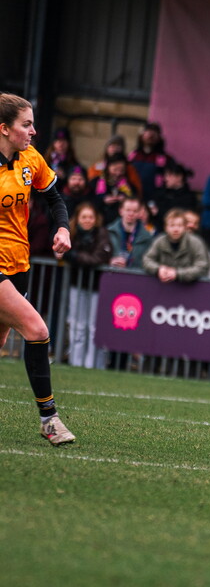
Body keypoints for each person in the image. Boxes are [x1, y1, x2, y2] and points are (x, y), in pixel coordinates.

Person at [0, 93, 76, 445]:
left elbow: (55, 199)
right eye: (26, 124)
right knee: (37, 329)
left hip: (20, 263)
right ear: (4, 129)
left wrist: (63, 228)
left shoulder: (31, 159)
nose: (33, 131)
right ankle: (50, 420)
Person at [64, 202, 112, 368]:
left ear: (96, 219)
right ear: (77, 218)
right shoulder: (72, 233)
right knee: (77, 325)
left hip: (97, 287)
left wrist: (75, 256)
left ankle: (91, 364)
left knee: (93, 327)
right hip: (76, 284)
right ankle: (75, 363)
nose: (87, 220)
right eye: (84, 217)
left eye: (90, 217)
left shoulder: (102, 234)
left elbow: (98, 258)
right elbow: (61, 250)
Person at [142, 208, 210, 284]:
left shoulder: (196, 242)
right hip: (163, 287)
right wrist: (158, 269)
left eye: (179, 226)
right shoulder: (159, 241)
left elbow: (203, 267)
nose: (176, 229)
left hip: (189, 288)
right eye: (172, 225)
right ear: (166, 228)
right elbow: (147, 260)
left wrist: (177, 273)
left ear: (185, 227)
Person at [128, 122, 173, 200]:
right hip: (133, 196)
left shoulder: (166, 158)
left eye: (154, 134)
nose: (151, 136)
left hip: (154, 198)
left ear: (159, 138)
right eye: (148, 133)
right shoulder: (133, 155)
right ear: (141, 136)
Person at [107, 197, 154, 270]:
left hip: (134, 279)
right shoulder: (108, 232)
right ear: (121, 211)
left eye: (135, 211)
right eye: (128, 210)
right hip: (112, 276)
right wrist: (108, 261)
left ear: (139, 213)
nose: (131, 214)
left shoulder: (147, 237)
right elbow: (99, 256)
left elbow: (150, 261)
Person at [92, 153, 138, 226]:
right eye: (115, 170)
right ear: (108, 167)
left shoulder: (129, 185)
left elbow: (136, 201)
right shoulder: (96, 182)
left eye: (121, 170)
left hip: (122, 224)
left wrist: (125, 200)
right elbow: (89, 202)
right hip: (100, 223)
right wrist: (103, 200)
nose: (118, 173)